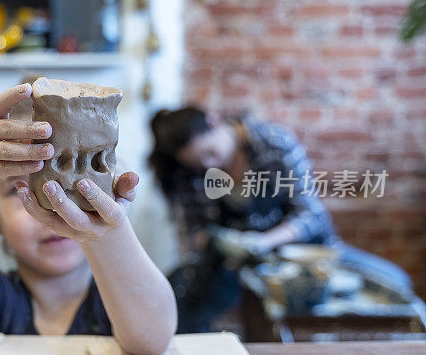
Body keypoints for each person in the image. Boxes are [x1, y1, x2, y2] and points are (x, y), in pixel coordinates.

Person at [0, 83, 177, 355]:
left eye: (68, 178)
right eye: (18, 190)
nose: (49, 210)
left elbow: (153, 339)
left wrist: (105, 230)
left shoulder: (119, 300)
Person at [148, 106, 413, 333]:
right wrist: (219, 242)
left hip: (307, 255)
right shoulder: (188, 173)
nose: (207, 165)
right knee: (179, 315)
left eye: (210, 153)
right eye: (198, 163)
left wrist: (262, 242)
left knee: (397, 283)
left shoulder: (273, 143)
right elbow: (194, 235)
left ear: (215, 121)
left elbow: (310, 214)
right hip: (237, 267)